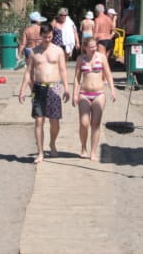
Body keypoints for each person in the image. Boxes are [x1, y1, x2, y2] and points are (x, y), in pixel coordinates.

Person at [18, 23, 71, 164]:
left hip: (54, 87)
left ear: (52, 35)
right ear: (40, 35)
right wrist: (22, 89)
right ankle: (40, 152)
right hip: (39, 88)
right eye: (45, 37)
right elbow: (28, 72)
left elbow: (63, 70)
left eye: (50, 36)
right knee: (39, 121)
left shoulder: (58, 51)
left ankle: (52, 143)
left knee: (55, 123)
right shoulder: (34, 52)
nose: (47, 39)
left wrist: (66, 88)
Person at [71, 37, 117, 161]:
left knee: (95, 123)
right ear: (84, 47)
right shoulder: (81, 59)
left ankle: (93, 151)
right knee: (84, 123)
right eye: (90, 47)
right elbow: (76, 77)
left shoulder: (101, 57)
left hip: (99, 94)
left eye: (94, 46)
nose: (93, 48)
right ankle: (83, 147)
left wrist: (112, 90)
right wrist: (74, 94)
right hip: (84, 93)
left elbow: (108, 73)